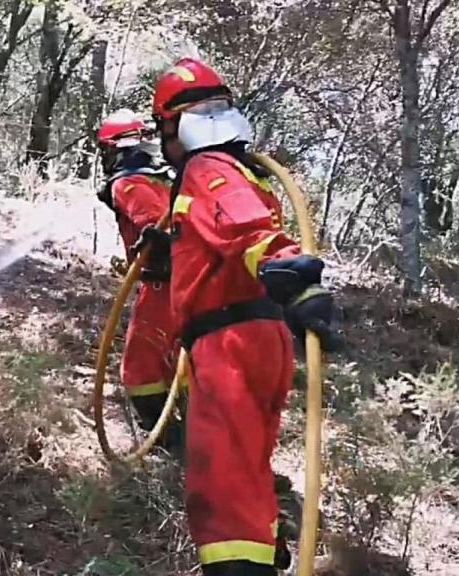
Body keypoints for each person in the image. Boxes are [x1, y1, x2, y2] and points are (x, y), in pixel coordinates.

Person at [140, 58, 340, 576]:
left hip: (229, 341)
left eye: (166, 133)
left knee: (221, 480)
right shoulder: (240, 173)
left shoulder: (207, 170)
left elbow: (244, 229)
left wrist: (289, 271)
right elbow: (219, 236)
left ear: (175, 128)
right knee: (246, 464)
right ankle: (263, 551)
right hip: (260, 337)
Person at [96, 109, 183, 451]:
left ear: (116, 149)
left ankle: (166, 440)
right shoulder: (165, 178)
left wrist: (155, 244)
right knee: (179, 359)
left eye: (105, 151)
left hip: (163, 285)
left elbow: (154, 225)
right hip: (190, 282)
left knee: (140, 368)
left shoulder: (129, 183)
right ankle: (198, 432)